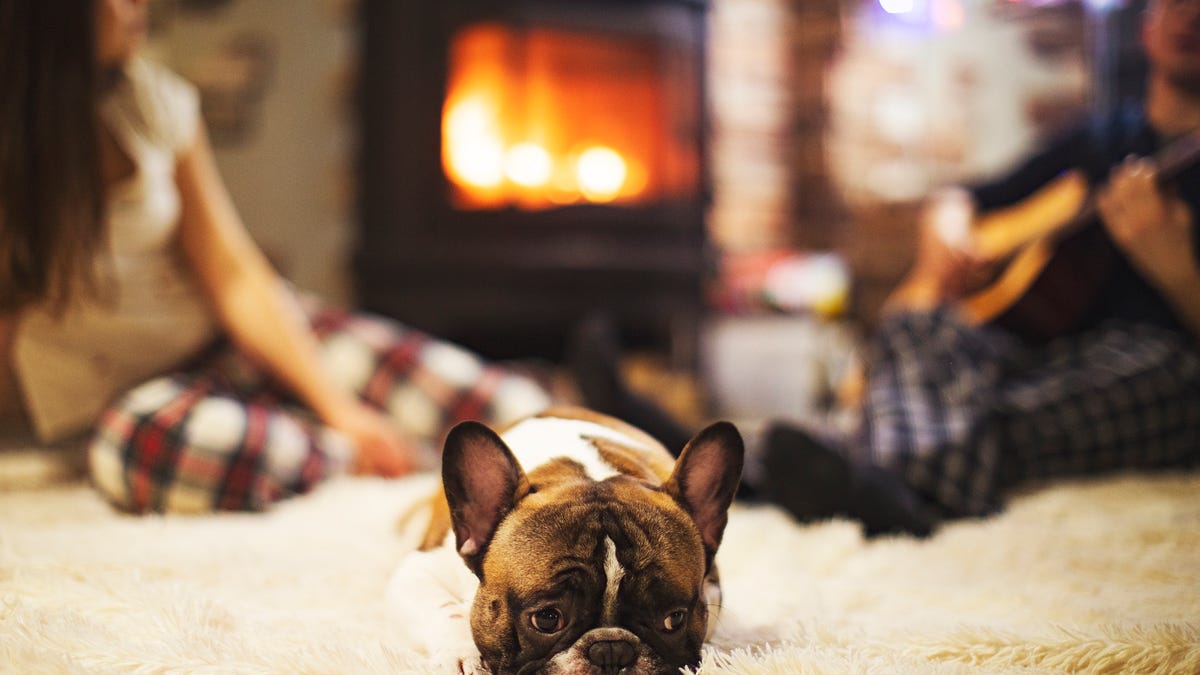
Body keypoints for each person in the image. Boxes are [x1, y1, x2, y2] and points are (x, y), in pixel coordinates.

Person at [576, 0, 1200, 537]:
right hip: (1027, 349)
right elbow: (963, 199)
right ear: (1147, 25)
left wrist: (1172, 265)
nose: (1190, 14)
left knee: (1124, 390)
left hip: (1150, 365)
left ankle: (708, 455)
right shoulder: (1103, 137)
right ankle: (868, 493)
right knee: (916, 325)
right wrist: (951, 236)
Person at [0, 0, 552, 513]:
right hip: (148, 404)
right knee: (141, 450)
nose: (139, 2)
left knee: (513, 406)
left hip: (238, 346)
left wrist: (339, 405)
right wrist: (345, 437)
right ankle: (336, 453)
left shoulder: (154, 103)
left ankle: (619, 421)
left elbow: (233, 271)